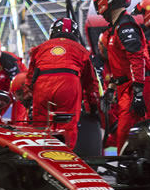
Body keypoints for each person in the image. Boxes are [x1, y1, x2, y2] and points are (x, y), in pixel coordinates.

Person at [92, 0, 150, 150]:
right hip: (128, 86)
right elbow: (119, 65)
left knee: (126, 135)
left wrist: (138, 91)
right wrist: (111, 89)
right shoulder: (116, 28)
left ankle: (129, 172)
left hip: (134, 86)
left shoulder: (125, 26)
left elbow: (137, 58)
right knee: (125, 135)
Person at [23, 18, 99, 148]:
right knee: (67, 128)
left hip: (42, 86)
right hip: (68, 84)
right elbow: (90, 83)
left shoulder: (40, 48)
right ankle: (63, 161)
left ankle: (39, 162)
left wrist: (27, 97)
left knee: (40, 128)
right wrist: (92, 105)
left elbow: (30, 78)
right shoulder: (81, 50)